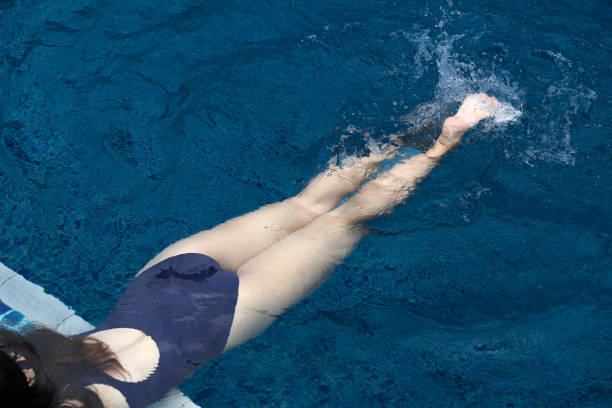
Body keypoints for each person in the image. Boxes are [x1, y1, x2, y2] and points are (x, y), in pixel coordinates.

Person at [0, 94, 499, 407]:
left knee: (349, 220)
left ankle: (443, 145)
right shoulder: (18, 349)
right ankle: (410, 131)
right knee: (306, 202)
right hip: (160, 283)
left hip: (213, 324)